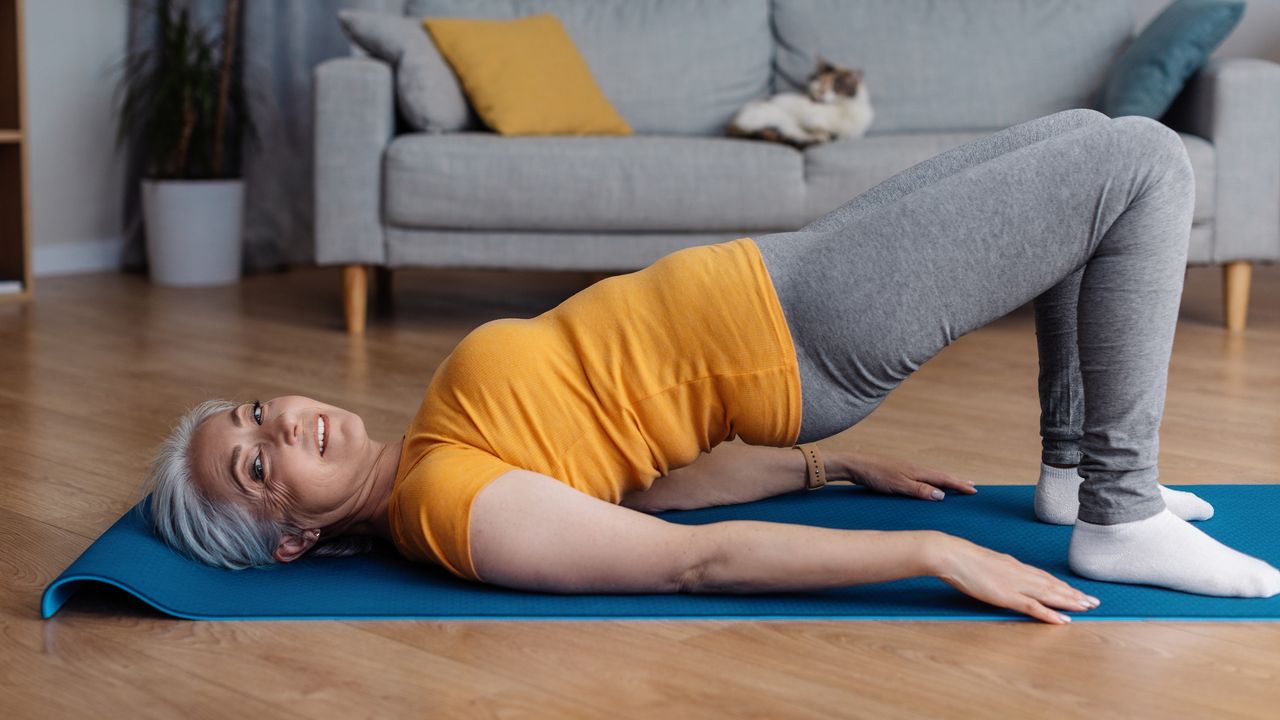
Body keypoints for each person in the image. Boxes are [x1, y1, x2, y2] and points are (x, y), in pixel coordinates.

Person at [141, 109, 1280, 625]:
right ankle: (1116, 511)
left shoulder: (439, 450)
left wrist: (833, 475)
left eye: (255, 412)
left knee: (1085, 137)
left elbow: (646, 481)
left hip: (785, 277)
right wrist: (928, 550)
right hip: (810, 322)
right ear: (289, 534)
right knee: (1139, 165)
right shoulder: (447, 509)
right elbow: (682, 561)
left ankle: (1076, 480)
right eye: (252, 464)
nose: (281, 424)